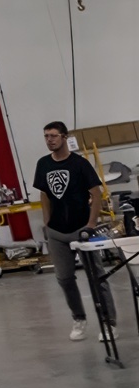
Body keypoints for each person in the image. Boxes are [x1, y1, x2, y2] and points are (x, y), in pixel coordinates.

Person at [35, 120, 116, 342]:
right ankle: (79, 318)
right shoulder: (43, 164)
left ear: (64, 136)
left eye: (53, 135)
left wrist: (91, 224)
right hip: (56, 232)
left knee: (96, 277)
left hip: (81, 229)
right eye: (46, 136)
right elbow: (44, 194)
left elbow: (96, 194)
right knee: (64, 279)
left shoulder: (79, 164)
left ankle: (109, 323)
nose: (49, 140)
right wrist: (46, 221)